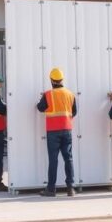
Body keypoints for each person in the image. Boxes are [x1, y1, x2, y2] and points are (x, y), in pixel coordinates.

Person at [35, 67, 77, 197]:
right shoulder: (70, 94)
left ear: (52, 80)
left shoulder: (48, 94)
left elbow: (40, 108)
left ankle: (51, 189)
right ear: (62, 79)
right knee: (68, 158)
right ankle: (70, 188)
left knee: (53, 160)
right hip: (67, 129)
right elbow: (74, 112)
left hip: (53, 131)